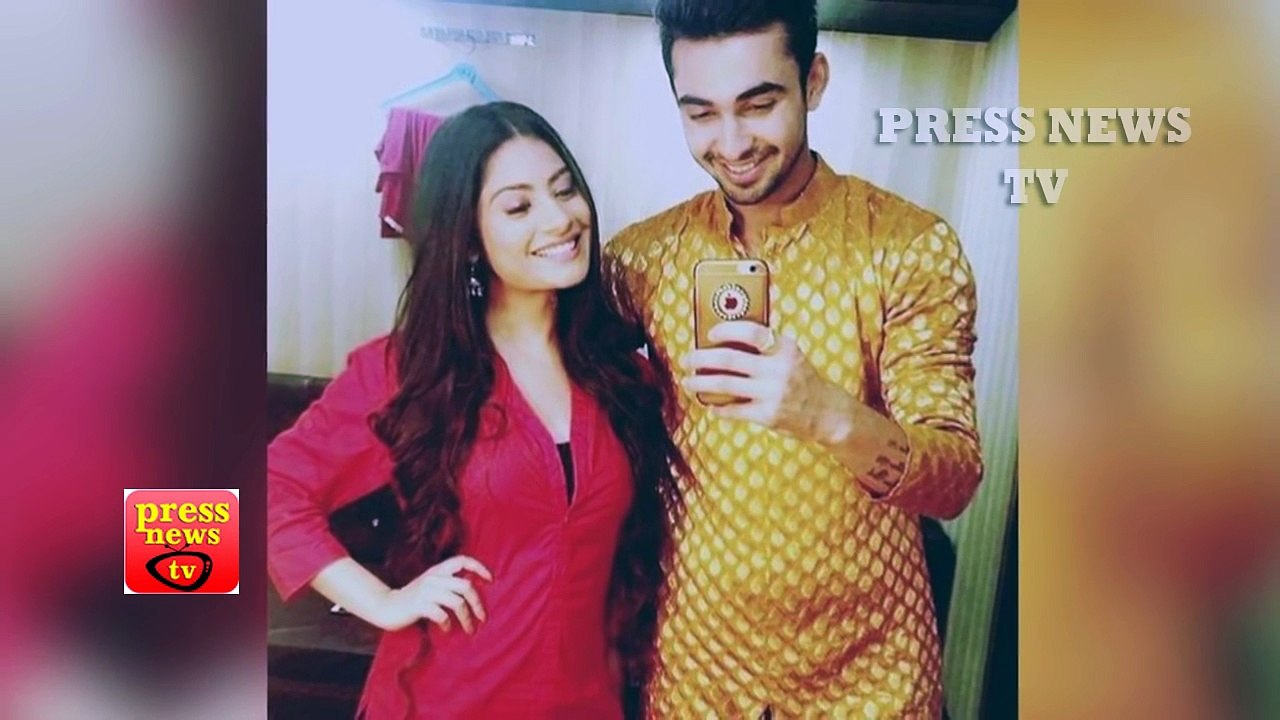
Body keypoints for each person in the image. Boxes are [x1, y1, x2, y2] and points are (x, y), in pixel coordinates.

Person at [604, 1, 984, 716]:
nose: (731, 142)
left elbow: (955, 479)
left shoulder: (907, 248)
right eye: (701, 113)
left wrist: (829, 416)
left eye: (759, 104)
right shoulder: (640, 261)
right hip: (698, 672)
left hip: (869, 678)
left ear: (813, 81)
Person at [268, 102, 684, 719]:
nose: (560, 218)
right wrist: (381, 601)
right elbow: (271, 490)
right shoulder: (409, 372)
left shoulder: (624, 375)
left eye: (564, 190)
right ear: (466, 239)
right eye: (518, 207)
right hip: (443, 700)